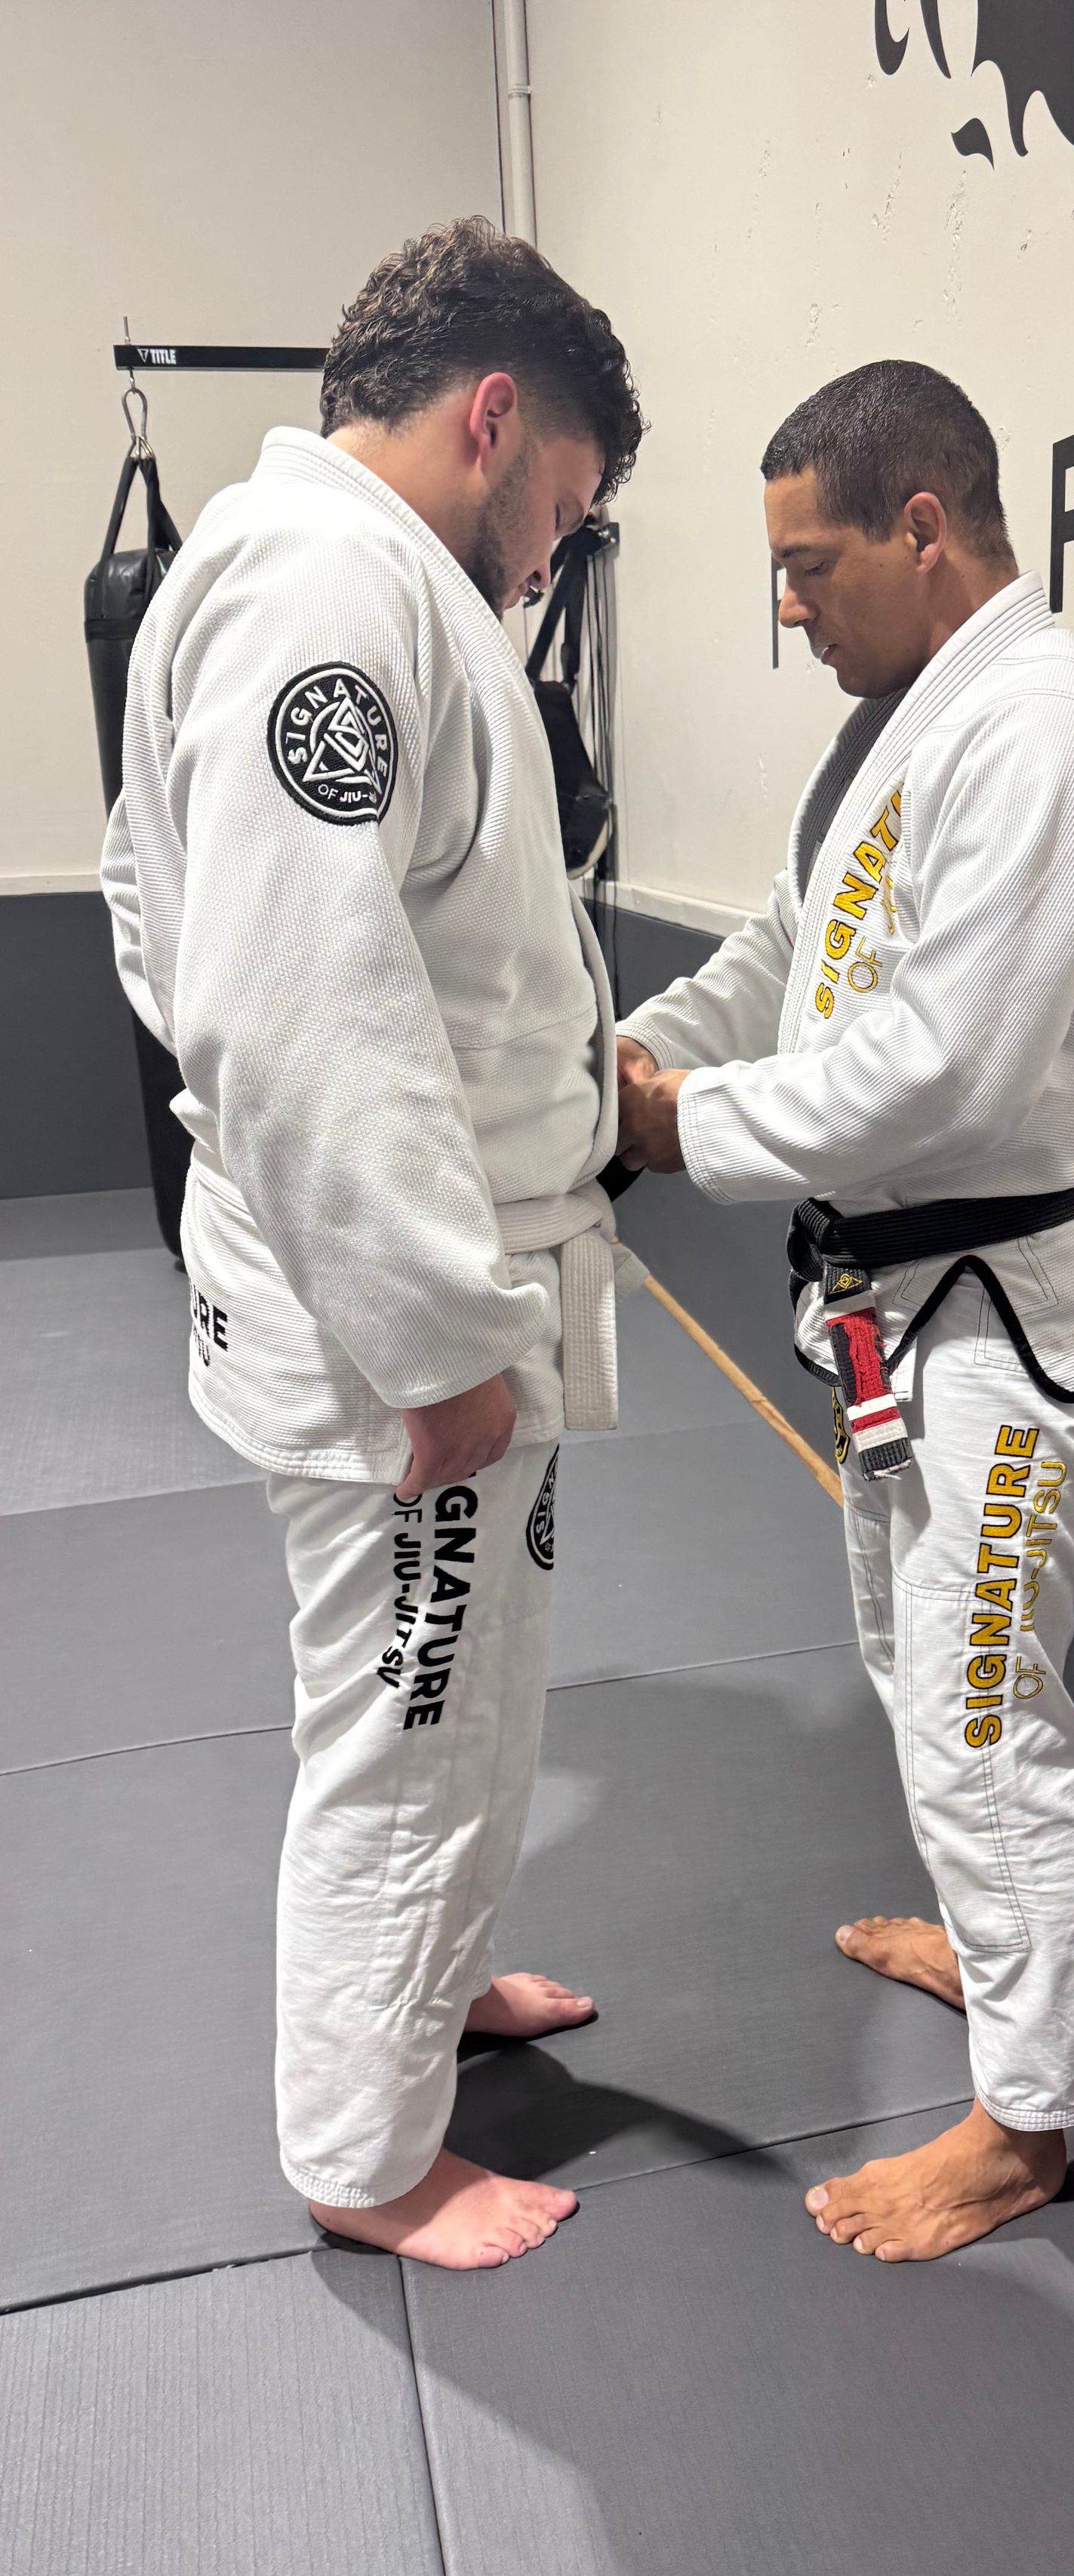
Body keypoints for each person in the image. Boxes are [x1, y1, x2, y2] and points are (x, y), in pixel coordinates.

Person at [100, 217, 644, 2272]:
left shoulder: (338, 581)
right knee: (408, 1729)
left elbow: (165, 925)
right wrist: (429, 1334)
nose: (548, 556)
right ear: (493, 415)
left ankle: (435, 1983)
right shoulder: (327, 588)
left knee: (476, 1693)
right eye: (565, 507)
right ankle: (363, 2141)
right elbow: (285, 991)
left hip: (444, 1275)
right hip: (397, 1332)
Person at [616, 359, 1074, 2263]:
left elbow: (947, 1068)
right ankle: (1003, 1950)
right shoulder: (900, 724)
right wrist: (643, 1052)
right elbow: (793, 956)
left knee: (980, 1704)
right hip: (898, 1306)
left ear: (925, 528)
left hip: (1005, 1307)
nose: (787, 607)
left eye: (810, 564)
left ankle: (1030, 2122)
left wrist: (683, 1122)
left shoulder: (1054, 738)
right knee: (913, 1662)